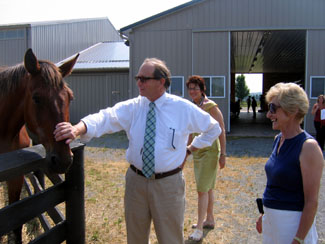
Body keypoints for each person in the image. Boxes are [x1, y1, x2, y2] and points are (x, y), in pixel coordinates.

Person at [54, 58, 221, 244]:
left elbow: (214, 129)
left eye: (144, 78)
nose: (139, 82)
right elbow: (105, 117)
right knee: (135, 238)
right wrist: (78, 128)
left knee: (171, 239)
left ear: (161, 81)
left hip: (169, 185)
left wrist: (190, 150)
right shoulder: (134, 107)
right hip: (136, 183)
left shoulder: (182, 108)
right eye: (137, 78)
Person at [255, 83, 324, 244]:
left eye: (273, 108)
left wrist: (299, 239)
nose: (268, 114)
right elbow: (274, 184)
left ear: (292, 111)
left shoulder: (309, 148)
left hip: (292, 225)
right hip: (272, 224)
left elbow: (312, 201)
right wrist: (265, 215)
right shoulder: (278, 139)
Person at [186, 75, 226, 241]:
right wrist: (186, 150)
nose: (192, 91)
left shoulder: (211, 107)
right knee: (208, 188)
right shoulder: (193, 107)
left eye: (195, 88)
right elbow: (190, 131)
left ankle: (199, 228)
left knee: (202, 189)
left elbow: (221, 131)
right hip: (197, 151)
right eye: (190, 88)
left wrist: (223, 154)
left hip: (210, 152)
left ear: (202, 90)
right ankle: (209, 219)